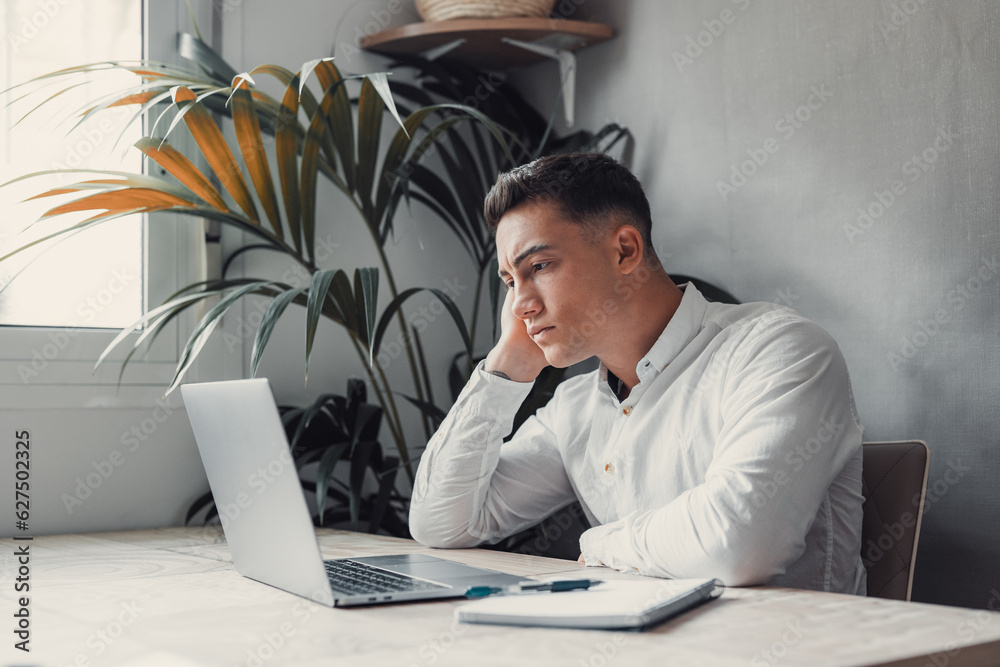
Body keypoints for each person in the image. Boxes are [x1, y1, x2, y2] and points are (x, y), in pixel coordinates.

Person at [408, 153, 866, 594]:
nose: (520, 306)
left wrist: (601, 542)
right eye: (510, 282)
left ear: (625, 250)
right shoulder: (575, 409)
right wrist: (507, 367)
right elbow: (441, 523)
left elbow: (739, 544)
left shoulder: (778, 350)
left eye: (539, 267)